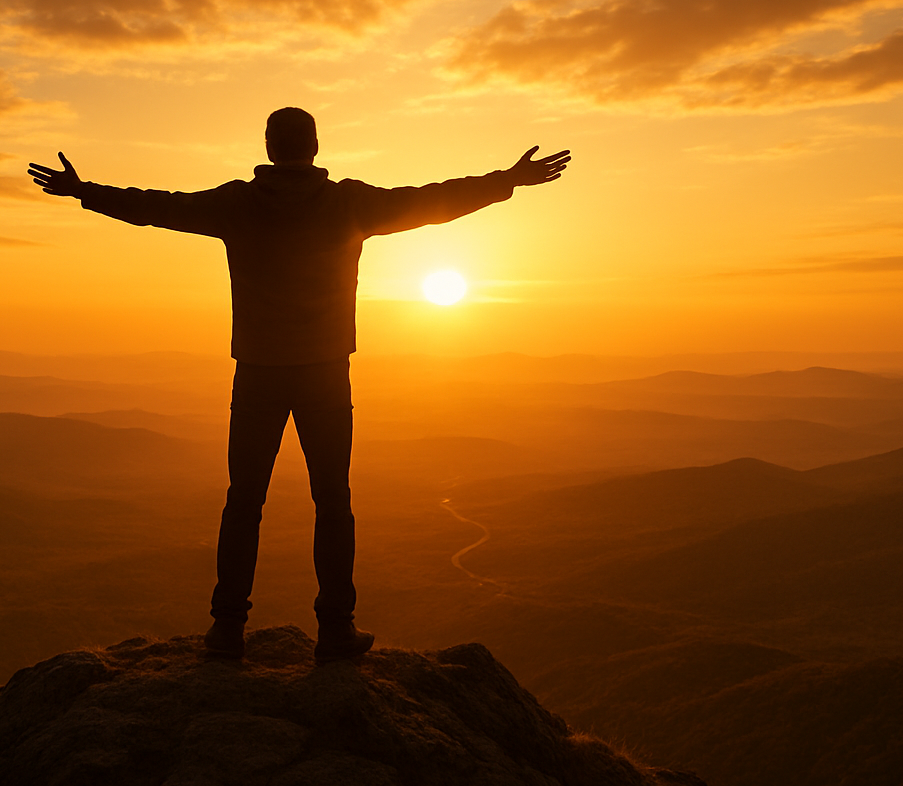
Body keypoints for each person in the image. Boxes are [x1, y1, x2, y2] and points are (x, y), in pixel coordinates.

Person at [28, 107, 569, 662]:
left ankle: (226, 629)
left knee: (244, 502)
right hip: (326, 372)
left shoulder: (237, 204)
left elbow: (154, 207)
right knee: (333, 500)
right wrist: (506, 181)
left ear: (269, 146)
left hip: (258, 370)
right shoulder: (348, 203)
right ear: (314, 146)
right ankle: (336, 628)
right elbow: (430, 201)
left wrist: (82, 190)